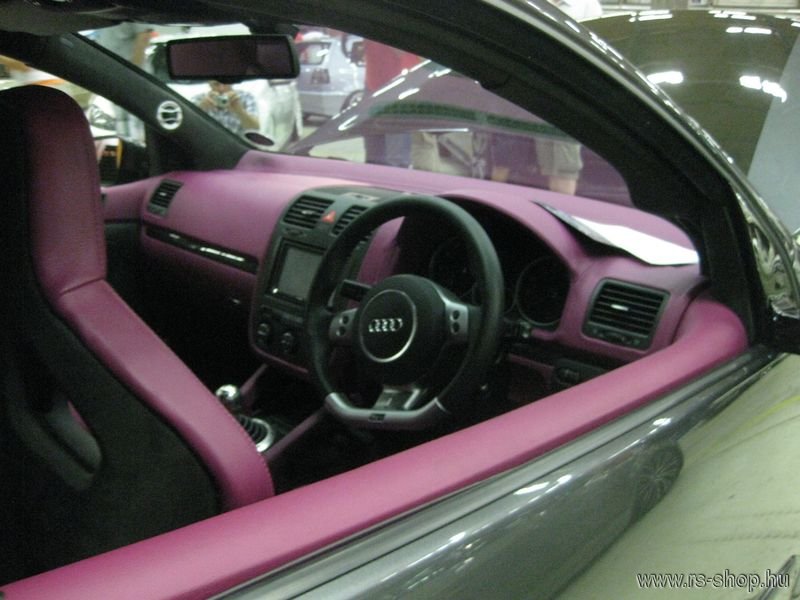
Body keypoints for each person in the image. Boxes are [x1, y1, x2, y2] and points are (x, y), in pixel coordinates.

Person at [194, 81, 260, 136]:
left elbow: (255, 128)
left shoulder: (246, 97)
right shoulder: (199, 99)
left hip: (235, 145)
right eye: (216, 84)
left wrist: (239, 110)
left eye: (225, 82)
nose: (222, 88)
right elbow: (189, 128)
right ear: (209, 83)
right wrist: (201, 108)